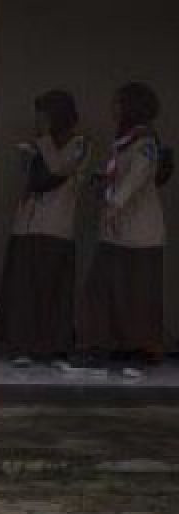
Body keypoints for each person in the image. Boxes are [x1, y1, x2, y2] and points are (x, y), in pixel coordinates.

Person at [77, 82, 169, 377]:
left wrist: (114, 203)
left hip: (139, 232)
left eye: (118, 103)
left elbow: (136, 180)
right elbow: (118, 175)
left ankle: (139, 349)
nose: (113, 109)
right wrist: (101, 180)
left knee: (137, 293)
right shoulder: (123, 142)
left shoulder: (145, 142)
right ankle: (100, 345)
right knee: (103, 290)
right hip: (115, 230)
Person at [0, 90, 90, 367]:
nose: (39, 122)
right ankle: (21, 344)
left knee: (51, 288)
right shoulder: (37, 144)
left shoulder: (79, 143)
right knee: (23, 288)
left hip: (55, 227)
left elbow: (59, 170)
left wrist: (44, 141)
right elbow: (30, 179)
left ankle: (51, 346)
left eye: (44, 116)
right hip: (26, 224)